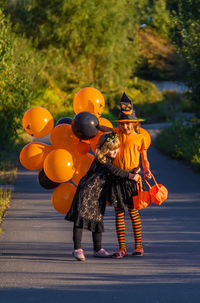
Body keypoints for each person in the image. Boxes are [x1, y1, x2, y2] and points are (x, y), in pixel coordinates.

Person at [65, 131, 140, 261]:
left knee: (97, 219)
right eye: (112, 149)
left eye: (117, 148)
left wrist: (132, 170)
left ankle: (97, 248)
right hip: (88, 191)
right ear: (105, 149)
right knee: (80, 219)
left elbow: (117, 171)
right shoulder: (102, 160)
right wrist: (131, 176)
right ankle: (77, 248)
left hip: (99, 193)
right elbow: (114, 171)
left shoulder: (110, 158)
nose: (115, 151)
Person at [109, 92, 152, 258]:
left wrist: (147, 170)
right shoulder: (116, 134)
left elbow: (145, 159)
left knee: (134, 213)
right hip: (117, 178)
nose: (125, 126)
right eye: (122, 124)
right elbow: (105, 129)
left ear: (134, 123)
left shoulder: (140, 138)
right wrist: (95, 125)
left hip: (133, 179)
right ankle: (121, 248)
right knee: (119, 213)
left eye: (128, 124)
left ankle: (138, 246)